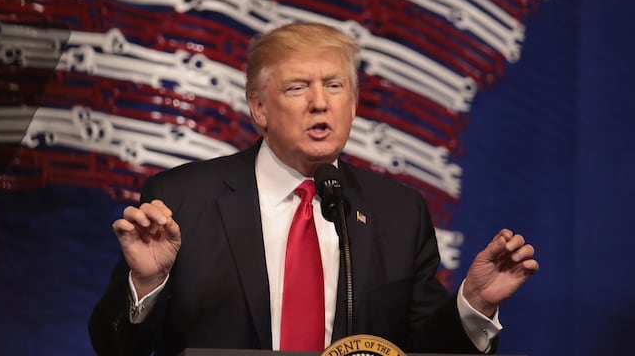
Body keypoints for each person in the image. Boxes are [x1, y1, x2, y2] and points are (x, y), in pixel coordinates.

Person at [88, 22, 538, 355]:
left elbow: (422, 349)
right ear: (260, 108)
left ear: (354, 104)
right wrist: (146, 283)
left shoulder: (399, 213)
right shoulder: (183, 199)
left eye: (335, 86)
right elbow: (113, 347)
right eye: (298, 87)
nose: (320, 102)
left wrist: (473, 305)